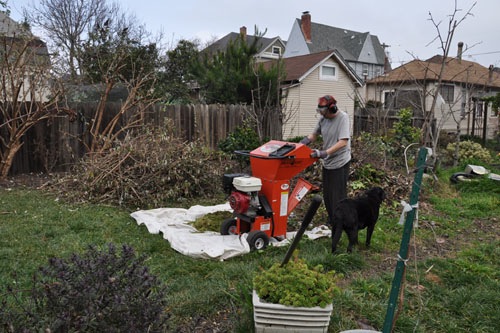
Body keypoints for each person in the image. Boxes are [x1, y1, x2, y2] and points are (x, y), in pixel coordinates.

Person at [300, 95, 352, 242]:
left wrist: (325, 152)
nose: (321, 114)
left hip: (340, 161)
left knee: (338, 195)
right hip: (328, 162)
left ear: (332, 108)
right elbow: (314, 134)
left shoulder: (343, 118)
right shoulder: (324, 119)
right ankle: (332, 219)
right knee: (328, 195)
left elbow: (343, 141)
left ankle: (342, 224)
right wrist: (302, 143)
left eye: (323, 111)